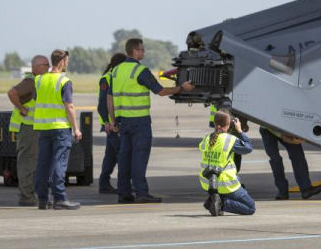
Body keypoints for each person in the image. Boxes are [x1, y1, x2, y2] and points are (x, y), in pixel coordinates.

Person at [107, 37, 194, 203]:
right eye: (141, 49)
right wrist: (182, 88)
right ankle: (141, 193)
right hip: (139, 122)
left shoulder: (116, 71)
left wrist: (113, 121)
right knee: (139, 158)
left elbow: (109, 98)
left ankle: (124, 193)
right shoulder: (141, 71)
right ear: (134, 51)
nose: (143, 52)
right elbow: (160, 91)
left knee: (125, 158)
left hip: (123, 121)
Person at [33, 49, 82, 209]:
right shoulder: (64, 81)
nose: (68, 63)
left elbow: (36, 99)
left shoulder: (39, 80)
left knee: (43, 163)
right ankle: (60, 198)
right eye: (67, 61)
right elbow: (70, 106)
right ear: (62, 61)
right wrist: (76, 128)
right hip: (60, 127)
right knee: (59, 162)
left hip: (43, 127)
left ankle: (42, 199)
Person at [7, 54, 49, 206]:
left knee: (32, 162)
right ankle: (26, 197)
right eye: (46, 65)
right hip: (28, 128)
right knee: (28, 163)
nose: (48, 68)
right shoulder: (30, 82)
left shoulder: (37, 81)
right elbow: (12, 93)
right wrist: (22, 109)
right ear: (37, 67)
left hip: (35, 128)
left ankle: (31, 195)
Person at [199, 111, 255, 216]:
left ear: (214, 123)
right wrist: (239, 131)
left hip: (208, 183)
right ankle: (219, 203)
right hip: (225, 184)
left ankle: (215, 198)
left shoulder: (206, 138)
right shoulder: (229, 140)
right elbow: (248, 148)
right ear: (228, 125)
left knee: (238, 180)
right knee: (250, 207)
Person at [258, 126, 321, 200]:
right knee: (275, 159)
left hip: (287, 127)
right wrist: (283, 136)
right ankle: (282, 191)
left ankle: (306, 188)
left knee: (297, 155)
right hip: (267, 128)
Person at [97, 53, 126, 193]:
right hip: (111, 125)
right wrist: (107, 122)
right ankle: (124, 184)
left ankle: (104, 184)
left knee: (111, 155)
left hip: (114, 123)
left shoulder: (115, 77)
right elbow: (102, 104)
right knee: (122, 153)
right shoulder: (107, 78)